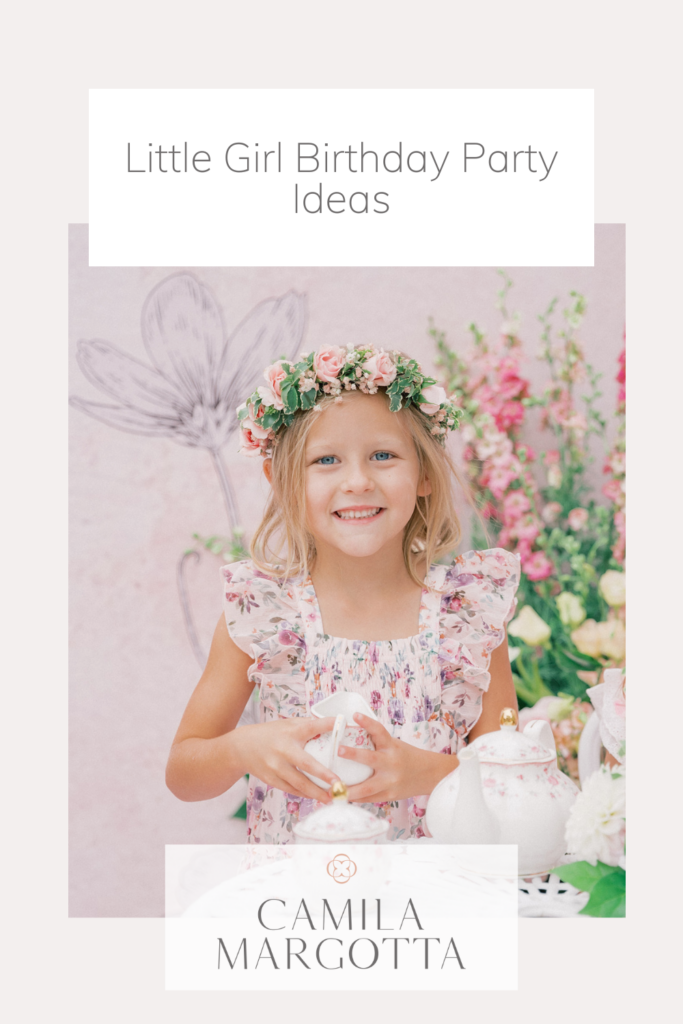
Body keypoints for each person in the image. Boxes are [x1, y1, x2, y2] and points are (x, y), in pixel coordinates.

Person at [166, 344, 520, 842]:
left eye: (383, 455)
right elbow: (184, 772)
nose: (357, 481)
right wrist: (241, 749)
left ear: (422, 472)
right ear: (284, 480)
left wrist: (425, 774)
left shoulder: (468, 615)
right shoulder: (266, 613)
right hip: (302, 907)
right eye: (326, 459)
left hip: (434, 902)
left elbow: (512, 791)